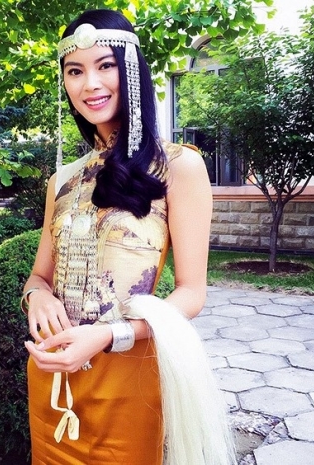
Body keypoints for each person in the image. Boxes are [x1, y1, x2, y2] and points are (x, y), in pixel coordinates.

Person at [21, 9, 234, 465]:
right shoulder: (62, 181)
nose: (90, 84)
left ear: (131, 70)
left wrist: (106, 335)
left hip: (129, 374)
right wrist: (36, 299)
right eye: (75, 71)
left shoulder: (179, 167)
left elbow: (192, 293)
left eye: (105, 66)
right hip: (51, 374)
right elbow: (39, 276)